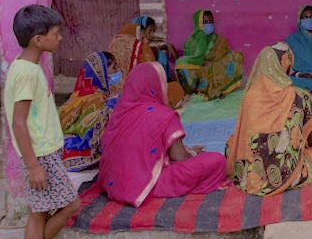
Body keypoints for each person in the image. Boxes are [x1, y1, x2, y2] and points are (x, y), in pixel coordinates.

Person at [4, 5, 82, 239]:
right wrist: (35, 165)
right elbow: (20, 123)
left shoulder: (26, 67)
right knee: (71, 205)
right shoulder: (27, 74)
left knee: (39, 212)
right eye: (55, 34)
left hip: (44, 152)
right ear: (38, 39)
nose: (60, 38)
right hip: (41, 155)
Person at [98, 62, 227, 206]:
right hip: (150, 182)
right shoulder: (163, 115)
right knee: (217, 160)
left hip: (113, 181)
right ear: (156, 85)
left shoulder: (119, 112)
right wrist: (193, 154)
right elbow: (179, 157)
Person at [226, 43, 312, 195]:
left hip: (248, 174)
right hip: (290, 174)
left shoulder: (250, 96)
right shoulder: (298, 96)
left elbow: (244, 135)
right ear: (287, 63)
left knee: (232, 142)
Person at [58, 51, 122, 172]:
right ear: (101, 72)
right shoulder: (96, 99)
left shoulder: (81, 91)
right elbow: (92, 132)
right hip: (78, 139)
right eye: (114, 67)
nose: (118, 71)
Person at [108, 15, 183, 106]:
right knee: (175, 89)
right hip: (139, 94)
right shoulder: (142, 50)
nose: (150, 35)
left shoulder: (116, 47)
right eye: (148, 31)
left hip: (122, 93)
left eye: (153, 31)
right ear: (140, 32)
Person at [174, 10, 244, 101]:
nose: (209, 24)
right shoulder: (190, 42)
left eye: (210, 21)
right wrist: (201, 61)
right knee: (182, 64)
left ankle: (220, 88)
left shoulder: (219, 40)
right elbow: (189, 59)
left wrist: (211, 60)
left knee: (237, 56)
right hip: (199, 68)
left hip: (216, 66)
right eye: (205, 22)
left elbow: (223, 54)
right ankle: (196, 89)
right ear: (198, 24)